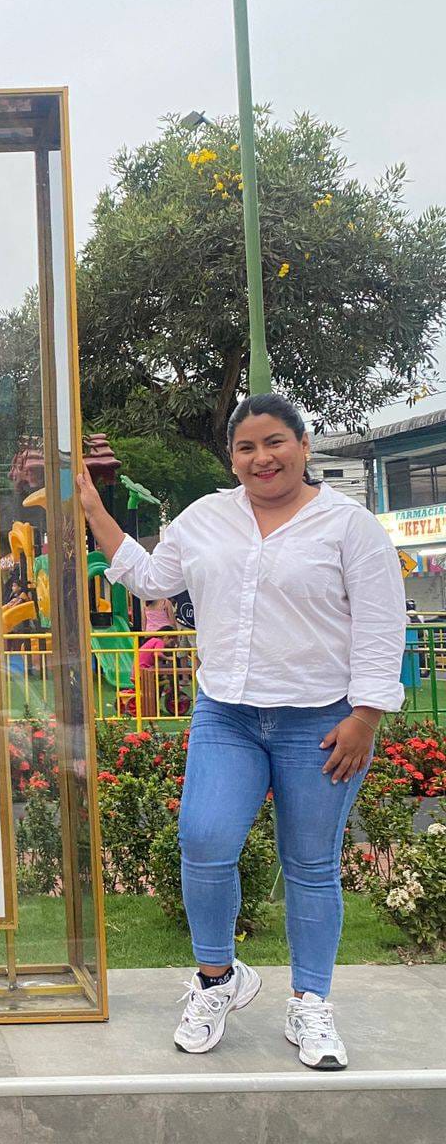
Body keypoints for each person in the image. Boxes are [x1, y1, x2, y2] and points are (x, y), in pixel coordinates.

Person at [76, 394, 406, 1069]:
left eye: (276, 442)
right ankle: (217, 980)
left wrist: (366, 718)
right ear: (232, 458)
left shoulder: (350, 526)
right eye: (247, 448)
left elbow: (381, 624)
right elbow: (149, 578)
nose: (263, 458)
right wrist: (92, 509)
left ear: (304, 445)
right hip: (227, 713)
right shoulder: (206, 518)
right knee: (204, 840)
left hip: (322, 721)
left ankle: (310, 1003)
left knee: (311, 863)